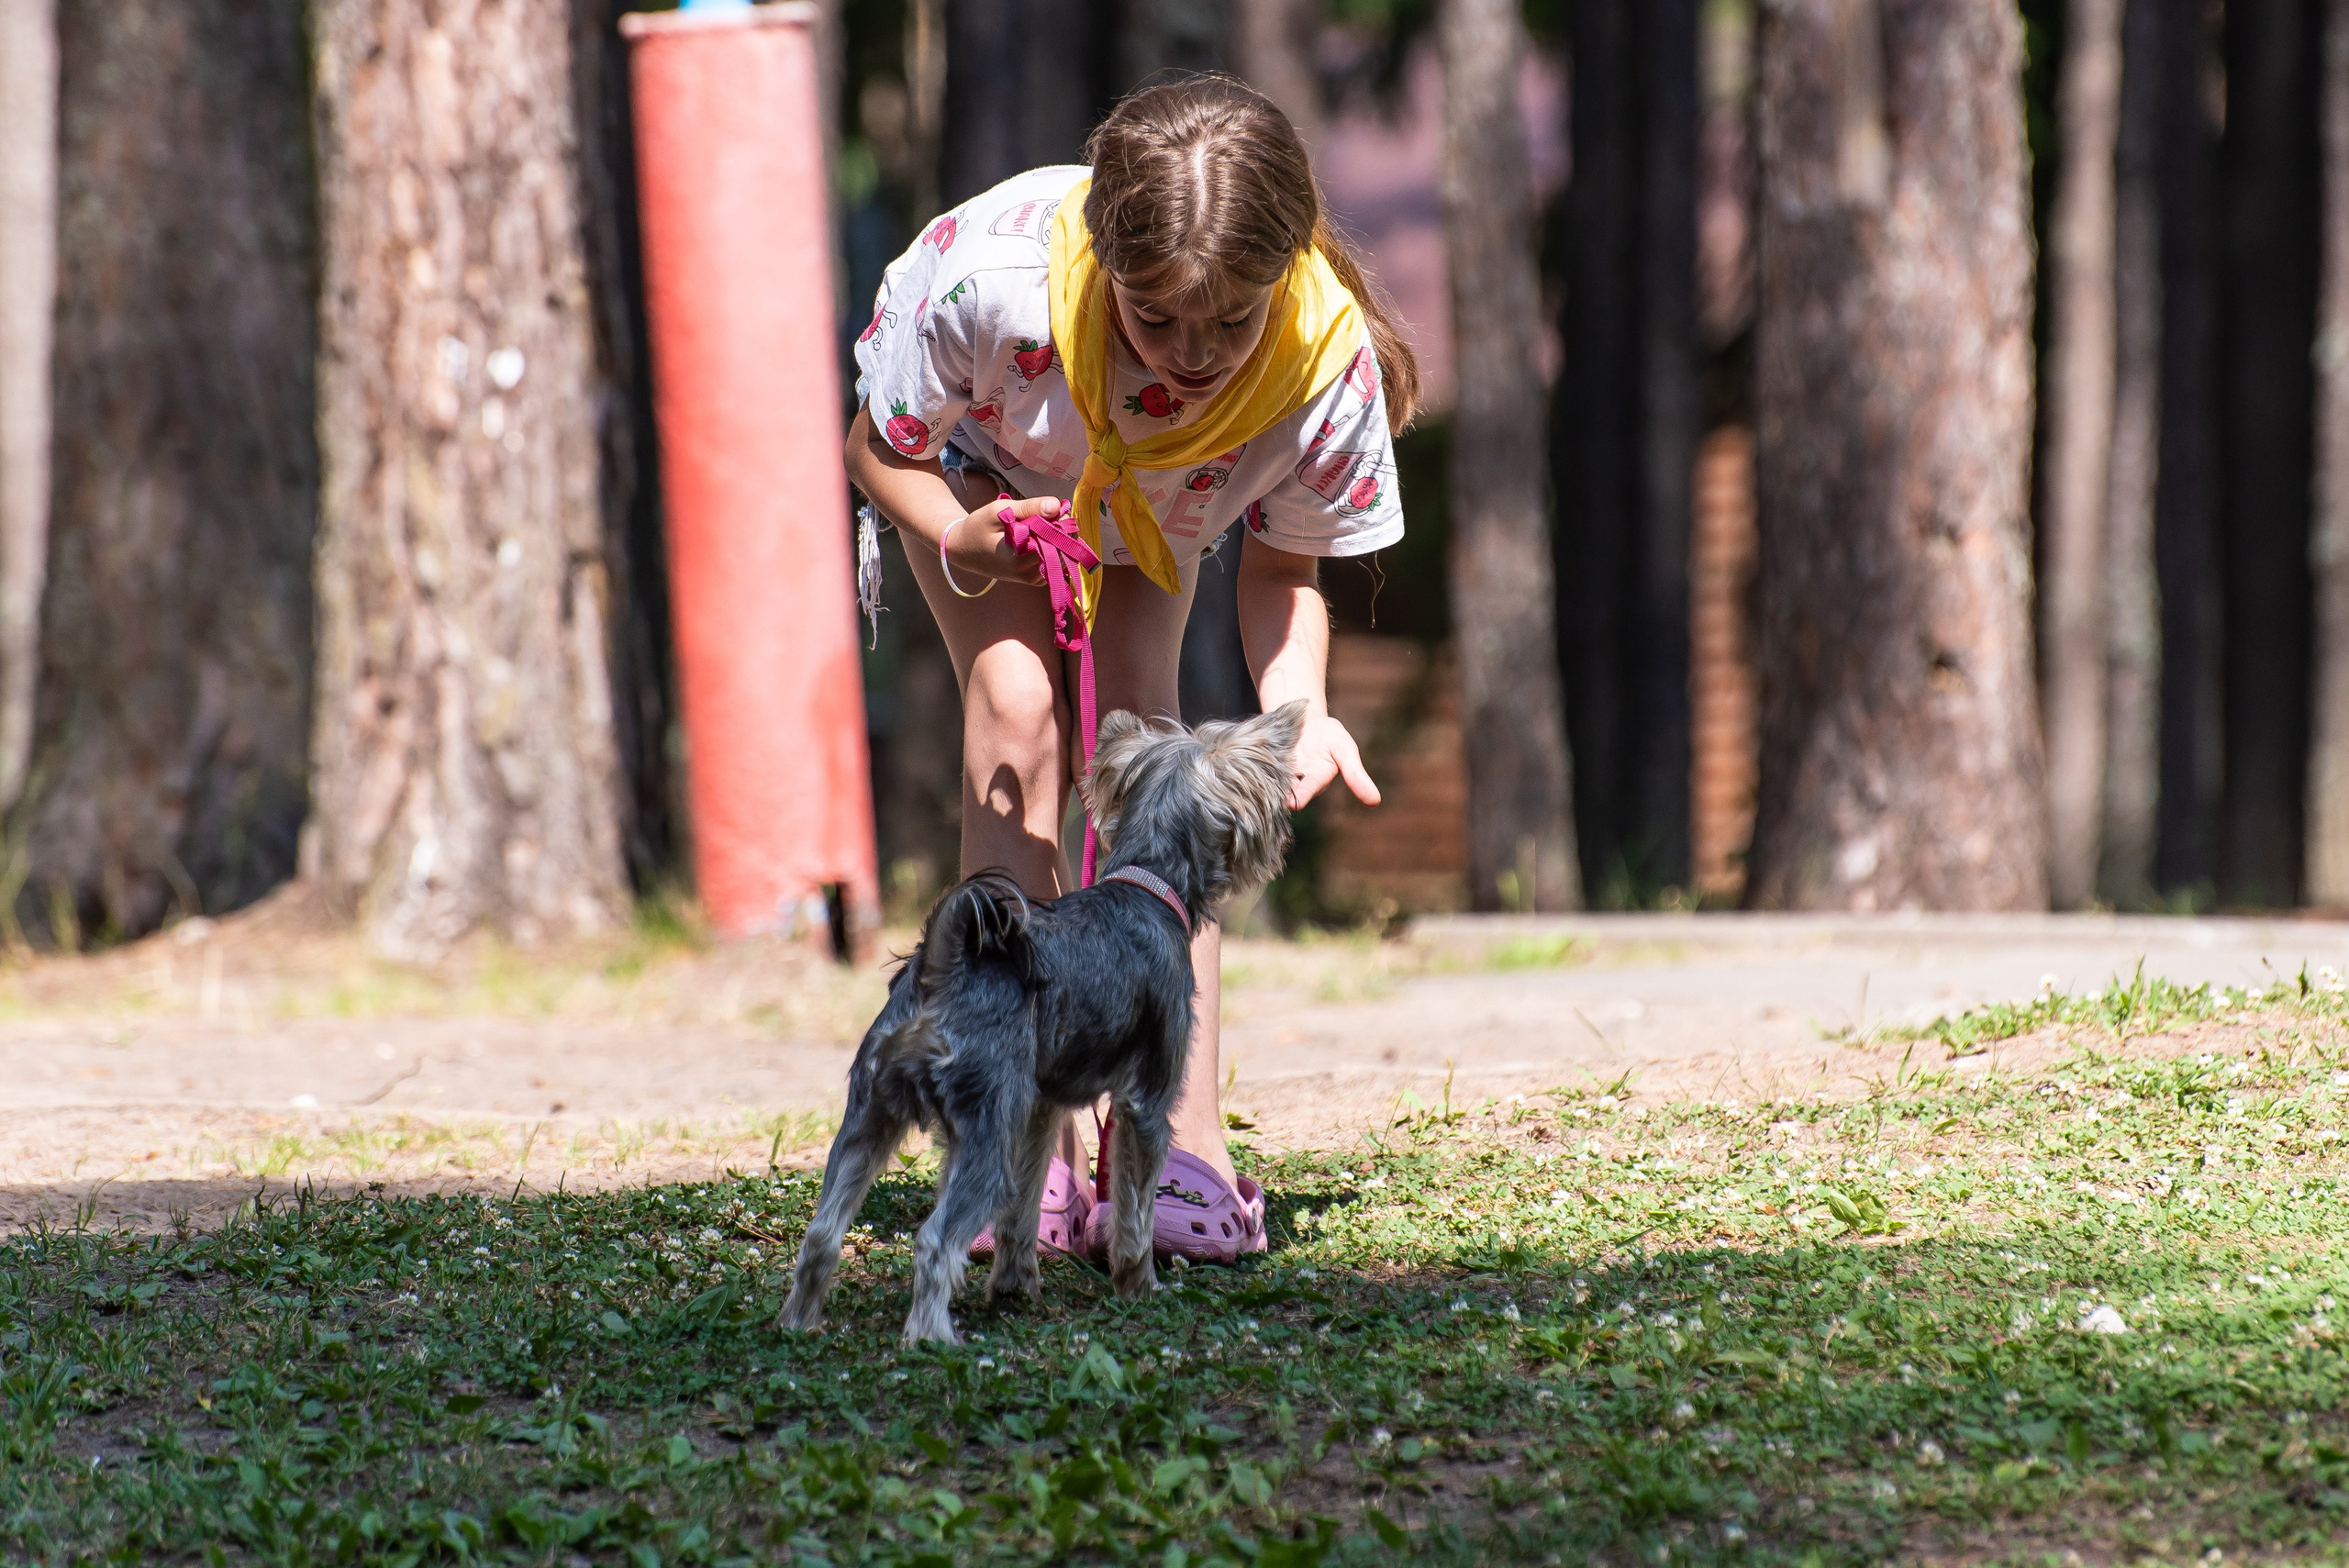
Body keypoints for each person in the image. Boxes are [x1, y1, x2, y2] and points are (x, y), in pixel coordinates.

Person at [845, 73, 1419, 1263]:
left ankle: (1179, 1144)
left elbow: (1279, 579)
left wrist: (1298, 709)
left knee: (1157, 760)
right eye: (1160, 320)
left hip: (1164, 496)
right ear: (1108, 268)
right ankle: (1012, 1136)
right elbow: (876, 447)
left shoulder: (1318, 365)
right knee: (1018, 712)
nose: (1196, 352)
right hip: (981, 465)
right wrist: (959, 530)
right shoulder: (990, 293)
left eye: (1229, 324)